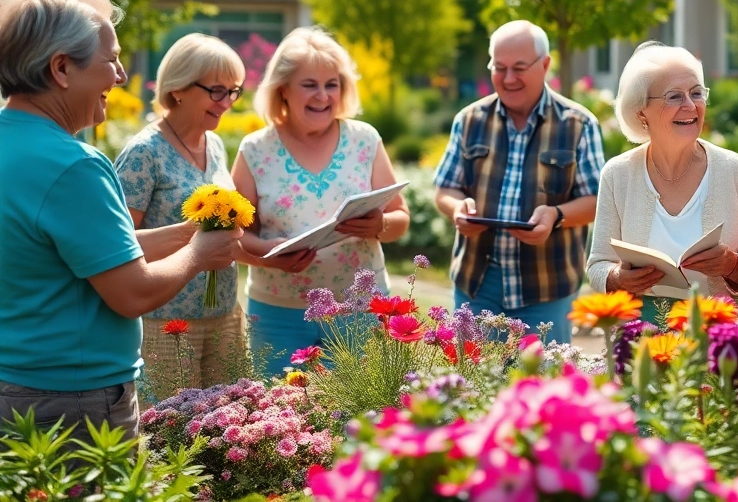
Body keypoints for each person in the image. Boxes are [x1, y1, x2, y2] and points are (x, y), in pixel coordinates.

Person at [0, 0, 237, 440]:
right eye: (111, 60)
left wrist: (179, 236)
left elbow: (71, 254)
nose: (121, 76)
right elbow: (133, 294)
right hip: (72, 400)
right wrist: (199, 254)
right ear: (61, 68)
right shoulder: (75, 166)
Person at [114, 34, 315, 399]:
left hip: (224, 315)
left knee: (228, 425)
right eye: (217, 91)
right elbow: (119, 248)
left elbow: (221, 240)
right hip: (167, 323)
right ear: (178, 89)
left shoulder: (215, 145)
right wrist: (188, 235)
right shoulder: (144, 153)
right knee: (170, 427)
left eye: (234, 91)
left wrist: (270, 258)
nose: (227, 103)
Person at [233, 27, 409, 376]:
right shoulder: (255, 150)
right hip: (277, 313)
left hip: (361, 310)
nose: (323, 96)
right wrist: (270, 253)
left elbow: (400, 218)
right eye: (309, 85)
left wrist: (380, 225)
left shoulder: (365, 139)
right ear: (282, 88)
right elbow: (236, 236)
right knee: (278, 408)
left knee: (364, 409)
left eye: (332, 84)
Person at [434, 21, 605, 344]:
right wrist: (457, 208)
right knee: (474, 375)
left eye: (519, 68)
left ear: (545, 65)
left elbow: (597, 200)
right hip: (477, 282)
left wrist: (556, 216)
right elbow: (445, 188)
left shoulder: (578, 124)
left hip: (547, 286)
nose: (509, 78)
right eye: (500, 68)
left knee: (541, 376)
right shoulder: (469, 120)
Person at [587, 43, 738, 320]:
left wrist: (732, 265)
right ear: (641, 111)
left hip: (721, 327)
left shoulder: (734, 169)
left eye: (696, 93)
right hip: (642, 330)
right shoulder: (618, 174)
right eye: (674, 97)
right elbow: (598, 265)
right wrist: (617, 279)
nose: (690, 105)